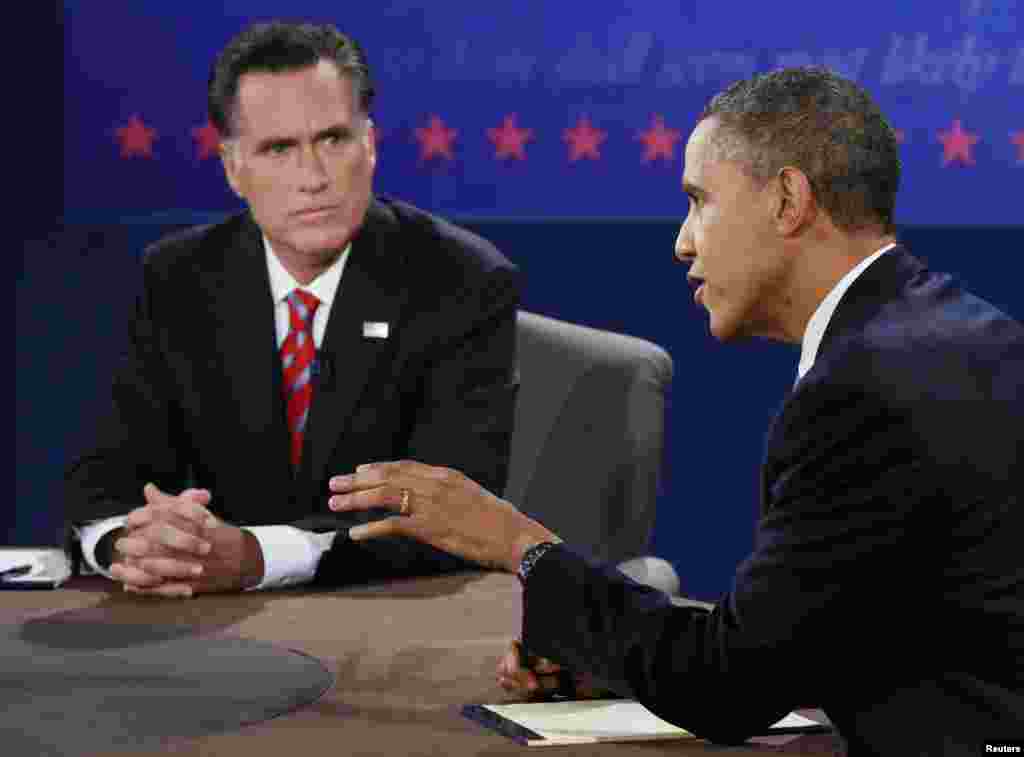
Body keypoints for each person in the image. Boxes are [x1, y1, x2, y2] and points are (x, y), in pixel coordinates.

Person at [322, 67, 1024, 753]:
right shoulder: (960, 335)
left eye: (699, 201)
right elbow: (820, 636)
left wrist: (518, 543)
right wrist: (609, 655)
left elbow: (729, 683)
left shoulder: (861, 387)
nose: (682, 241)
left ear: (788, 200)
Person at [64, 21, 520, 597]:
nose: (313, 177)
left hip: (386, 611)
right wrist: (131, 544)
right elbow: (102, 480)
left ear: (370, 145)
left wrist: (258, 557)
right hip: (200, 620)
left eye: (333, 140)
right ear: (233, 167)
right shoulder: (175, 280)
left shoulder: (461, 281)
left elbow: (448, 511)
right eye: (278, 149)